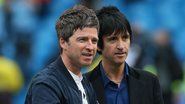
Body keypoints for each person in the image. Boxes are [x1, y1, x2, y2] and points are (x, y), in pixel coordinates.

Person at [85, 6, 164, 104]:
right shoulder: (82, 85)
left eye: (125, 38)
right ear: (98, 45)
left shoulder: (150, 82)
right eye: (113, 39)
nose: (121, 46)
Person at [25, 5, 99, 104]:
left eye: (94, 41)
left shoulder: (86, 84)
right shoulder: (46, 85)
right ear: (63, 42)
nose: (90, 47)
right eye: (82, 40)